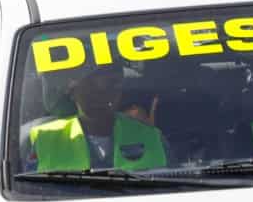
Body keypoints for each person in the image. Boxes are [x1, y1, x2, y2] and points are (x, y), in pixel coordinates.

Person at [29, 63, 167, 172]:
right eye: (90, 87)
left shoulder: (152, 137)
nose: (99, 96)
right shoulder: (42, 139)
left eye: (109, 87)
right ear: (72, 91)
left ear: (119, 92)